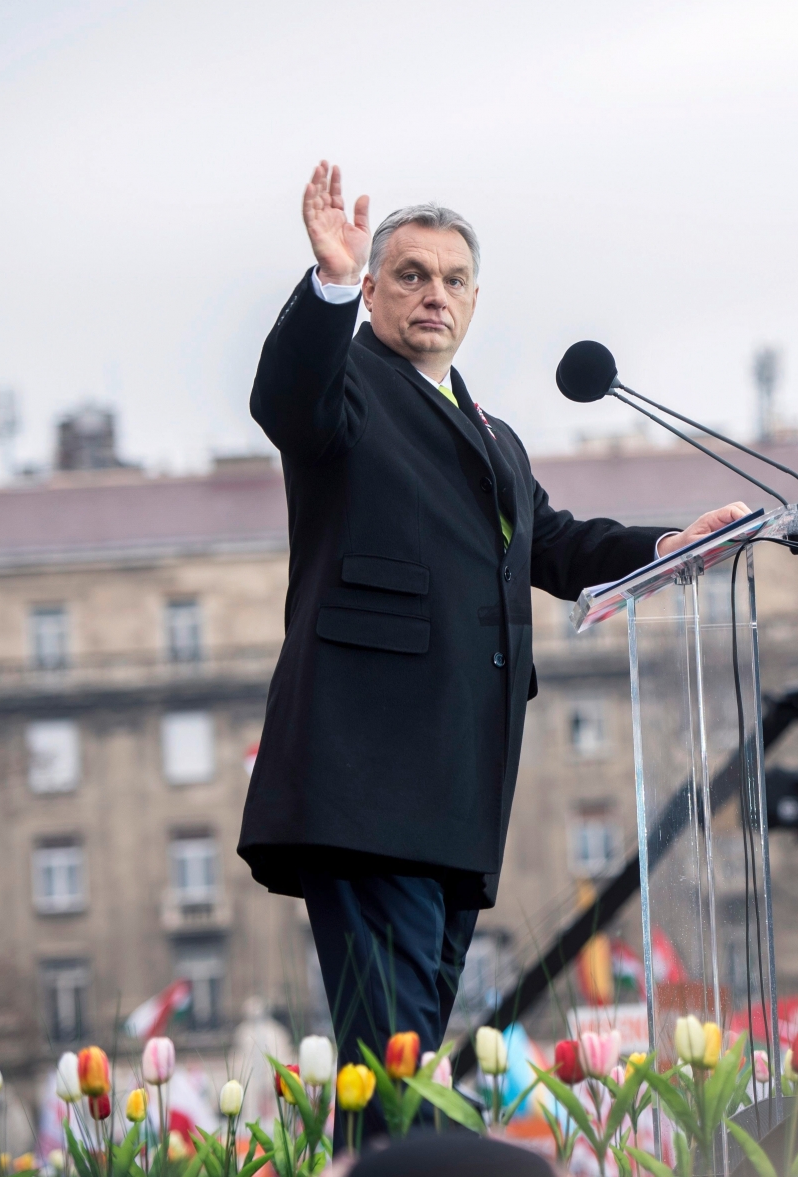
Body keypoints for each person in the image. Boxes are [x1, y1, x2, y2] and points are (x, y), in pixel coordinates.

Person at [239, 162, 747, 1140]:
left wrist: (664, 549)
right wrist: (328, 286)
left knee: (396, 1074)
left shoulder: (491, 434)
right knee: (388, 1069)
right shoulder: (347, 391)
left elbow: (553, 546)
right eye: (409, 275)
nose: (434, 294)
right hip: (368, 789)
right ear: (375, 291)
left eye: (453, 279)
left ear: (474, 299)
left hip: (458, 799)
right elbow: (286, 397)